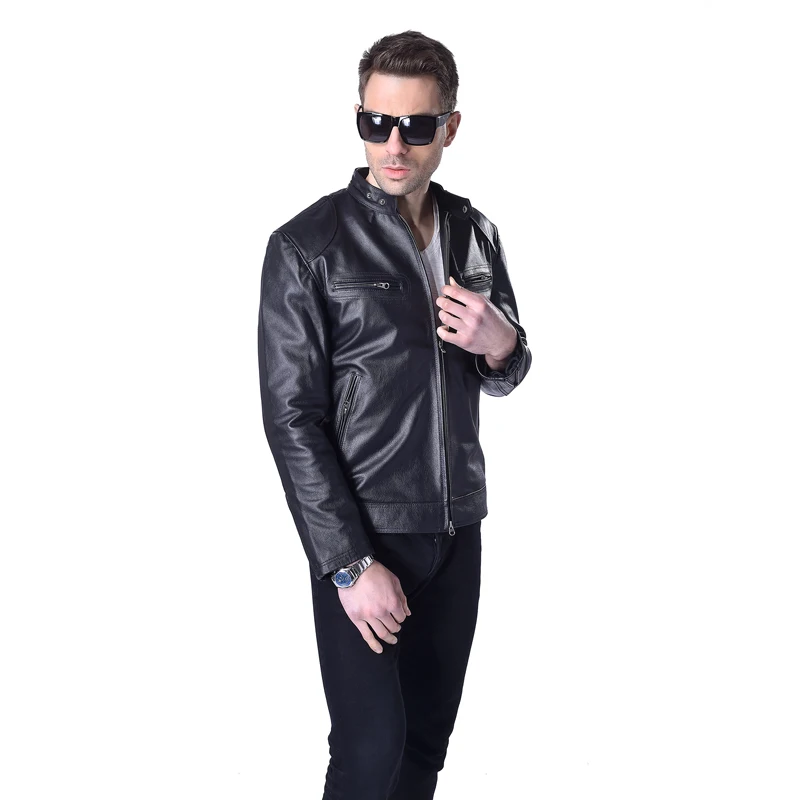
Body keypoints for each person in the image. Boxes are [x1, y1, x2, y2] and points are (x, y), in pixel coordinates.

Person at [257, 29, 531, 800]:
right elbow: (292, 419)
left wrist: (503, 344)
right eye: (376, 122)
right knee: (369, 755)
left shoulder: (474, 233)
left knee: (423, 753)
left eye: (415, 124)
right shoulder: (308, 247)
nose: (394, 145)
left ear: (450, 126)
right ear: (359, 117)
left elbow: (506, 369)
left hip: (458, 531)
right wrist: (348, 562)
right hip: (368, 535)